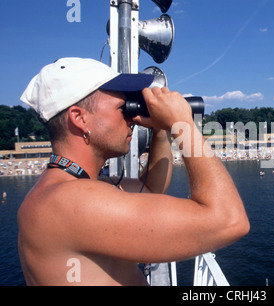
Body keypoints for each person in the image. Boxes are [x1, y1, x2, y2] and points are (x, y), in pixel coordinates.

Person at [17, 57, 249, 286]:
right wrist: (183, 124)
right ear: (79, 118)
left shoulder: (70, 188)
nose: (132, 120)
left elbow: (151, 189)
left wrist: (160, 130)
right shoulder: (73, 201)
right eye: (123, 108)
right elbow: (229, 220)